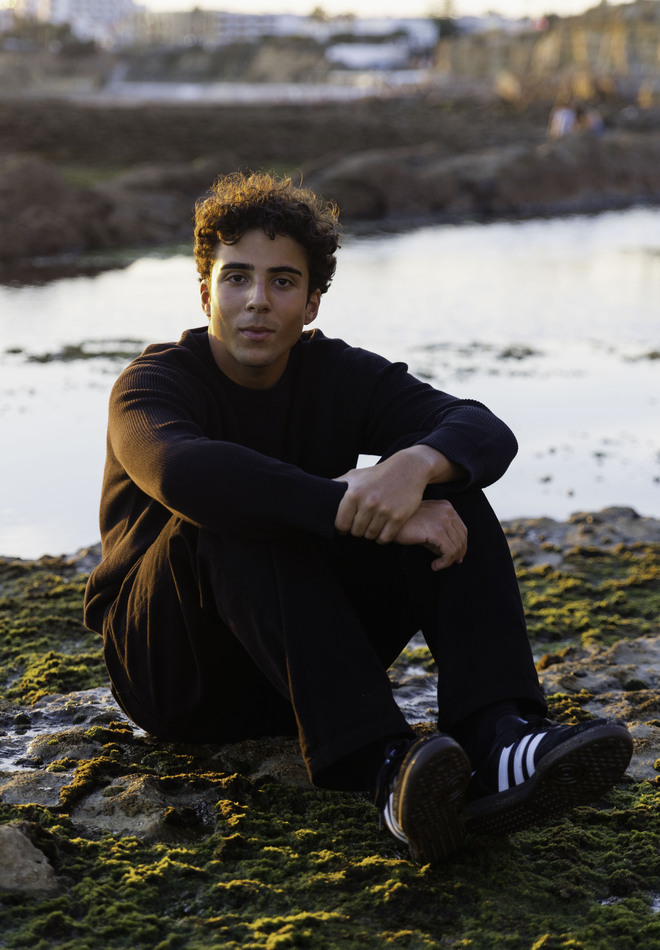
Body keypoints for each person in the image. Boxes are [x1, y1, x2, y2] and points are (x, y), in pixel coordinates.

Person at [84, 171, 633, 866]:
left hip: (298, 666)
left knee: (449, 494)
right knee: (229, 512)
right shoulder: (152, 385)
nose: (258, 300)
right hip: (177, 674)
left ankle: (499, 736)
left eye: (283, 282)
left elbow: (481, 428)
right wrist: (350, 504)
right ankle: (386, 768)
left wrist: (414, 467)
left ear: (312, 302)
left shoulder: (338, 374)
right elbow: (184, 472)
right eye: (237, 278)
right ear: (205, 293)